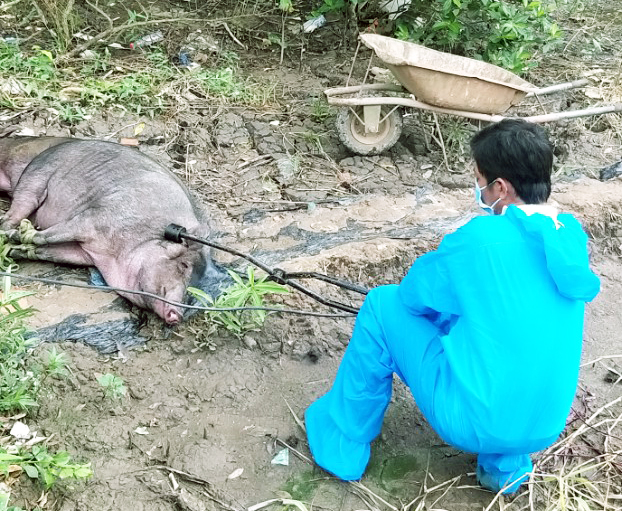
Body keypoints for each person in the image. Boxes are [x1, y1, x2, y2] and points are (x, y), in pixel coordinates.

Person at [304, 119, 600, 494]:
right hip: (544, 426)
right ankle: (505, 470)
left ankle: (341, 447)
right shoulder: (570, 237)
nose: (477, 188)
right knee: (504, 329)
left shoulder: (480, 239)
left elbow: (412, 295)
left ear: (500, 188)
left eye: (479, 180)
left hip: (471, 423)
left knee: (382, 303)